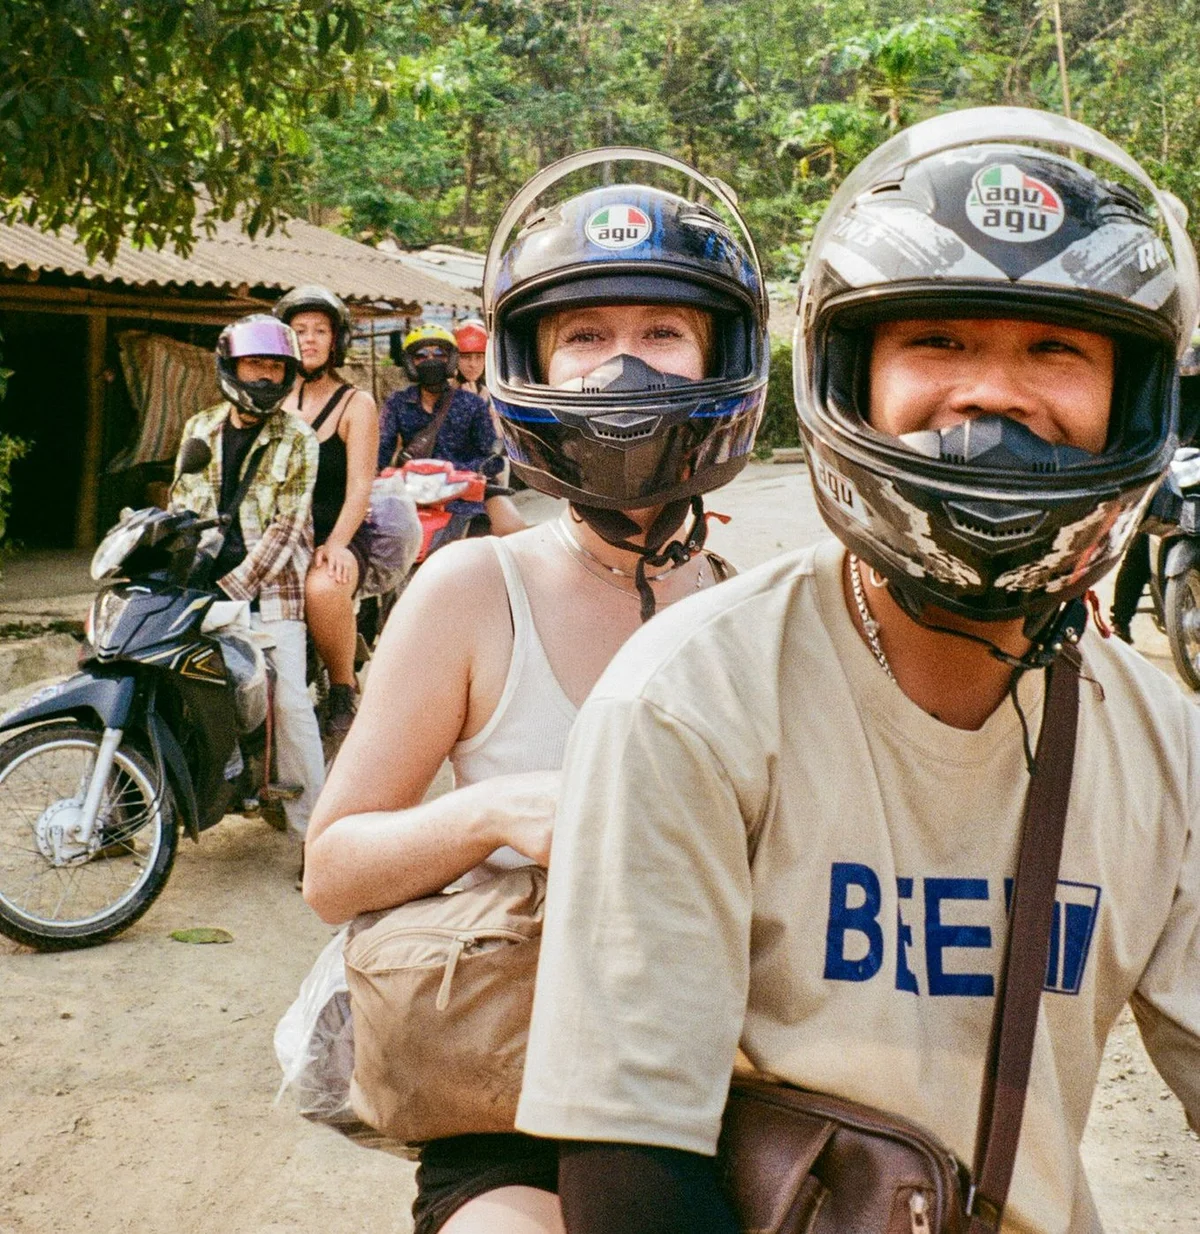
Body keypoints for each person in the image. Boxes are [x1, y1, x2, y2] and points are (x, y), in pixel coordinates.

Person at [514, 110, 1200, 1234]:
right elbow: (631, 1165)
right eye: (937, 342)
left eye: (1055, 349)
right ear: (851, 372)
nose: (992, 392)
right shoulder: (691, 700)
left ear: (1129, 397)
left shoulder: (1163, 739)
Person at [302, 152, 771, 1234]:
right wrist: (503, 810)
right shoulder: (475, 588)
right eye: (587, 337)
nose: (624, 369)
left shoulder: (745, 609)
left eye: (661, 335)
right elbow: (332, 869)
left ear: (719, 356)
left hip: (724, 1092)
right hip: (512, 1104)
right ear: (535, 362)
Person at [171, 314, 325, 858]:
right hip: (200, 589)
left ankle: (317, 836)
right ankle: (129, 808)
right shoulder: (200, 429)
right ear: (231, 367)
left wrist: (233, 590)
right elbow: (181, 509)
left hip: (269, 592)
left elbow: (286, 529)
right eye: (254, 364)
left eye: (275, 367)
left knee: (289, 705)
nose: (264, 377)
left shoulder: (300, 439)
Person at [274, 284, 379, 739]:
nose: (310, 340)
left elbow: (360, 486)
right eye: (299, 331)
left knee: (322, 588)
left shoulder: (357, 404)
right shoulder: (268, 400)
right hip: (276, 535)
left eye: (320, 330)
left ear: (337, 340)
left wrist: (335, 543)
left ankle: (342, 687)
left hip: (337, 534)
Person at [379, 324, 527, 537]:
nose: (431, 360)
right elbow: (381, 451)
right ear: (410, 362)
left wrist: (454, 472)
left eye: (439, 353)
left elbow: (492, 458)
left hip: (464, 495)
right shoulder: (397, 403)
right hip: (412, 493)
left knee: (513, 534)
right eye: (421, 355)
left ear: (450, 360)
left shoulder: (472, 404)